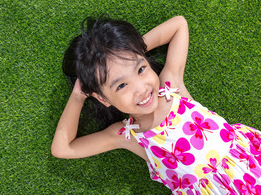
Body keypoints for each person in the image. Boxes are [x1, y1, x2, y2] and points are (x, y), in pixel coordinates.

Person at [51, 16, 261, 194]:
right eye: (122, 85)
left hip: (253, 167)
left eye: (141, 69)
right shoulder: (126, 135)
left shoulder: (172, 86)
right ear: (103, 99)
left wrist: (128, 50)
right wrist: (79, 95)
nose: (141, 88)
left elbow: (179, 24)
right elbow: (63, 148)